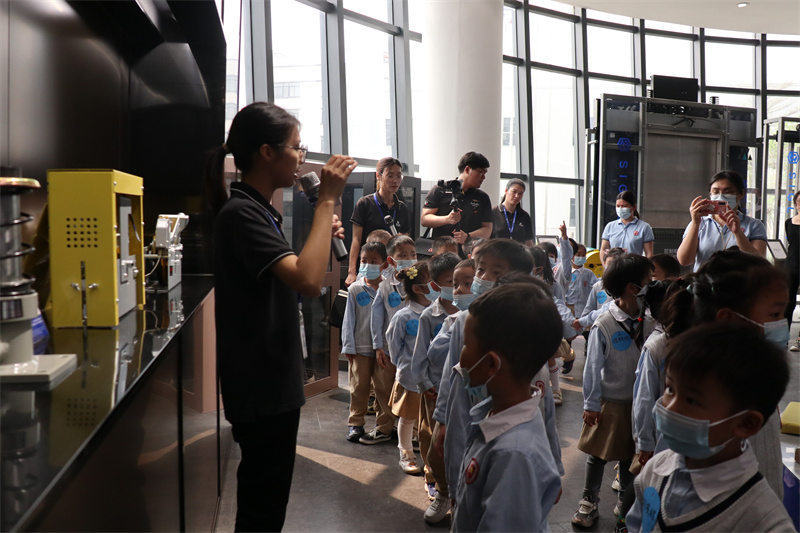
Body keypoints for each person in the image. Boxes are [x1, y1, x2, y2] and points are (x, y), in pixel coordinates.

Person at [208, 102, 356, 531]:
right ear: (266, 152)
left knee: (266, 504)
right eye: (296, 147)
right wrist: (327, 200)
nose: (302, 157)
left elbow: (296, 270)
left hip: (270, 383)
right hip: (261, 386)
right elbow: (309, 281)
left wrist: (323, 228)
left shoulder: (258, 211)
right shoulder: (241, 214)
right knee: (261, 510)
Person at [634, 250, 790, 502]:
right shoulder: (695, 380)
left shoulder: (759, 373)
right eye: (774, 314)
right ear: (729, 319)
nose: (781, 324)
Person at [626, 323, 794, 533]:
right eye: (670, 388)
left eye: (692, 400)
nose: (670, 407)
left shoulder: (763, 521)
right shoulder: (655, 470)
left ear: (745, 423)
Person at [452, 283, 563, 532]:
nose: (461, 355)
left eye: (465, 344)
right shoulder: (499, 413)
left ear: (491, 363)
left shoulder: (513, 455)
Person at [572, 254, 655, 528]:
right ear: (633, 287)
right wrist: (591, 404)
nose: (651, 286)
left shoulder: (651, 320)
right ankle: (589, 500)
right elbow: (592, 367)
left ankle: (625, 503)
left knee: (631, 457)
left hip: (639, 404)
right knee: (598, 455)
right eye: (648, 281)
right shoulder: (604, 324)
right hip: (610, 402)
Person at [422, 258, 475, 524]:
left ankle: (462, 500)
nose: (460, 290)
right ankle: (444, 493)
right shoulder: (455, 322)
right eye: (455, 285)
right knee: (438, 451)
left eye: (468, 283)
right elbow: (435, 355)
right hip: (449, 399)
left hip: (481, 409)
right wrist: (451, 329)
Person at [410, 252, 460, 501]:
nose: (458, 287)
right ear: (435, 285)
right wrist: (424, 383)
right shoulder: (430, 315)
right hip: (435, 389)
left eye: (462, 282)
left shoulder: (470, 312)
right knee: (430, 434)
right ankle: (433, 479)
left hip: (460, 387)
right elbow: (419, 355)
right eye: (451, 281)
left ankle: (455, 480)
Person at [341, 242, 392, 444]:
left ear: (384, 264)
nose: (368, 264)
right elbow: (348, 320)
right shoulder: (355, 289)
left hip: (384, 350)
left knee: (383, 388)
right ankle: (356, 423)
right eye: (364, 260)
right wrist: (348, 346)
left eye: (373, 261)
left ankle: (384, 426)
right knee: (358, 387)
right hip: (360, 348)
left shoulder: (389, 288)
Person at [387, 260, 432, 474]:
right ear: (418, 288)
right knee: (408, 416)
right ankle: (405, 451)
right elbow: (393, 345)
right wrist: (404, 367)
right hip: (410, 377)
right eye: (434, 282)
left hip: (433, 377)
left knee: (429, 416)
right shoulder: (403, 316)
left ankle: (429, 453)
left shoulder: (438, 312)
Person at [676, 170, 767, 271]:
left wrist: (738, 233)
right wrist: (695, 223)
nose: (721, 196)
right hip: (704, 284)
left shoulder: (754, 225)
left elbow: (759, 262)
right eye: (715, 192)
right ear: (710, 194)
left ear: (741, 194)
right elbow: (684, 260)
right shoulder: (700, 223)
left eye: (728, 192)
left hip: (740, 285)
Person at [346, 157, 411, 286]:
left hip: (392, 270)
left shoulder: (402, 207)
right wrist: (351, 271)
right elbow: (356, 240)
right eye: (390, 175)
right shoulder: (364, 204)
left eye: (399, 176)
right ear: (379, 176)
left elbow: (405, 244)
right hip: (370, 267)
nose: (395, 180)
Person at [421, 151, 493, 249]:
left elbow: (488, 229)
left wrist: (468, 236)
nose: (483, 177)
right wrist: (446, 219)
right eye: (480, 173)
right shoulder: (440, 189)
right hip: (441, 252)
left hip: (468, 253)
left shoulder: (482, 197)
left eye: (485, 173)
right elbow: (424, 219)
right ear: (467, 169)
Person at [599, 190, 654, 261]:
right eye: (618, 206)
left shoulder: (644, 227)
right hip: (614, 269)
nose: (620, 209)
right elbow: (603, 250)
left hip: (634, 268)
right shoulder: (610, 226)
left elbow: (649, 254)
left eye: (624, 206)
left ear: (633, 207)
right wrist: (606, 267)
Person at [491, 178, 534, 246]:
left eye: (520, 193)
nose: (517, 196)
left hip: (518, 255)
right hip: (497, 254)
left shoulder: (524, 216)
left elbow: (528, 241)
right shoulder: (493, 213)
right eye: (514, 192)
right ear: (506, 191)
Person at [785, 192, 800, 350]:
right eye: (798, 201)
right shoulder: (788, 222)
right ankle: (783, 337)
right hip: (791, 266)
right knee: (787, 304)